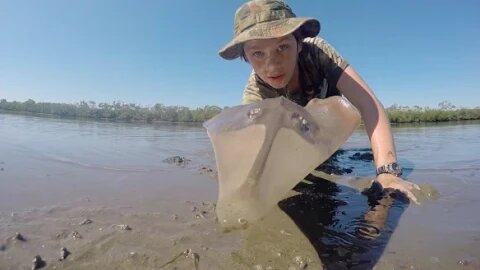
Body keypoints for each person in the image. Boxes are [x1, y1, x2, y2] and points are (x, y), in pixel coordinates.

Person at [218, 0, 420, 203]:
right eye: (258, 53)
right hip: (291, 136)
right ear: (245, 57)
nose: (272, 65)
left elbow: (369, 104)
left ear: (298, 44)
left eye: (282, 47)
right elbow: (251, 150)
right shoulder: (255, 92)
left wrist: (388, 172)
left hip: (326, 125)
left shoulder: (318, 53)